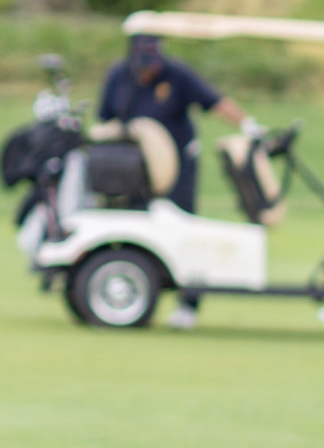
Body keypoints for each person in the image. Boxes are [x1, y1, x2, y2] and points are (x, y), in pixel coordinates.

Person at [97, 32, 262, 330]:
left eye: (152, 62)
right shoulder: (119, 77)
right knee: (138, 231)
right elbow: (105, 120)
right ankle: (141, 291)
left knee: (183, 229)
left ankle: (188, 304)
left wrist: (246, 124)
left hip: (179, 167)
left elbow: (214, 102)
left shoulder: (177, 75)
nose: (149, 70)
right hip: (136, 170)